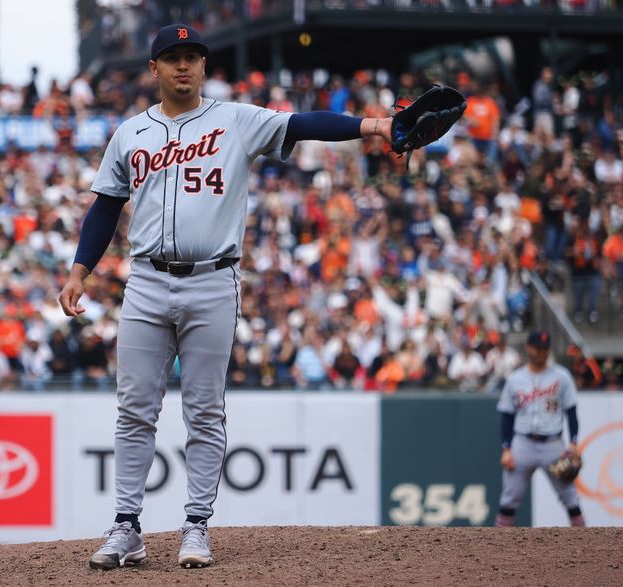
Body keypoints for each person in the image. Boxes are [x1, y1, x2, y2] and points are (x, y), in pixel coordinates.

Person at [58, 23, 398, 571]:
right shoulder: (130, 133)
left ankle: (196, 526)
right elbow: (103, 208)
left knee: (204, 412)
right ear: (154, 69)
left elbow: (304, 124)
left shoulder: (235, 119)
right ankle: (126, 527)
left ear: (203, 66)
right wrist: (79, 271)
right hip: (145, 281)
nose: (184, 65)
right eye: (173, 57)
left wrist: (376, 125)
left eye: (193, 56)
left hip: (214, 280)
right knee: (134, 410)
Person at [495, 330, 585, 528]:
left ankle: (588, 549)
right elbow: (507, 416)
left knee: (571, 498)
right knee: (509, 498)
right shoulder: (515, 379)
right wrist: (506, 449)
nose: (542, 352)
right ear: (528, 348)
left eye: (545, 348)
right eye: (538, 348)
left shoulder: (561, 376)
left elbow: (571, 411)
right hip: (522, 443)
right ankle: (496, 549)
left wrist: (573, 443)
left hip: (552, 444)